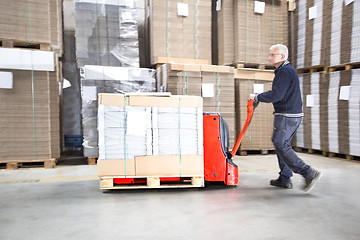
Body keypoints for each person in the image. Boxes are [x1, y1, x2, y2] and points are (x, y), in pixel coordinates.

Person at [250, 44, 322, 192]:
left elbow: (277, 94)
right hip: (291, 115)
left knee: (280, 143)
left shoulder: (284, 72)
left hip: (287, 115)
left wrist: (258, 97)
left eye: (272, 55)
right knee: (281, 144)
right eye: (270, 54)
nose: (269, 57)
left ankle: (308, 172)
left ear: (282, 56)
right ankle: (284, 178)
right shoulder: (285, 71)